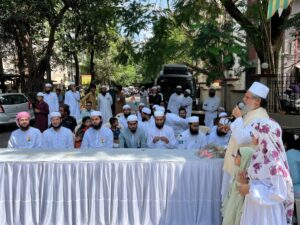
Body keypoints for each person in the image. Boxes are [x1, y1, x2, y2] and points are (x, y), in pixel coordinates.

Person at [239, 119, 294, 225]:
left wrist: (250, 189)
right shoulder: (259, 155)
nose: (252, 137)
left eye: (253, 134)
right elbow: (262, 180)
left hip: (267, 213)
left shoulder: (274, 162)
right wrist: (246, 180)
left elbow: (279, 193)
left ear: (263, 135)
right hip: (255, 208)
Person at [222, 82, 270, 199]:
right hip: (234, 161)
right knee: (227, 197)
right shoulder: (251, 113)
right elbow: (242, 130)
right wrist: (231, 127)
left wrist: (238, 117)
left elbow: (242, 138)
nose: (243, 99)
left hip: (242, 167)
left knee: (233, 201)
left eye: (247, 97)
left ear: (257, 101)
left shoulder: (260, 117)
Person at [222, 147, 254, 225]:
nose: (235, 158)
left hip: (239, 208)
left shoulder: (246, 177)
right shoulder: (237, 171)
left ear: (245, 160)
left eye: (238, 156)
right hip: (232, 204)